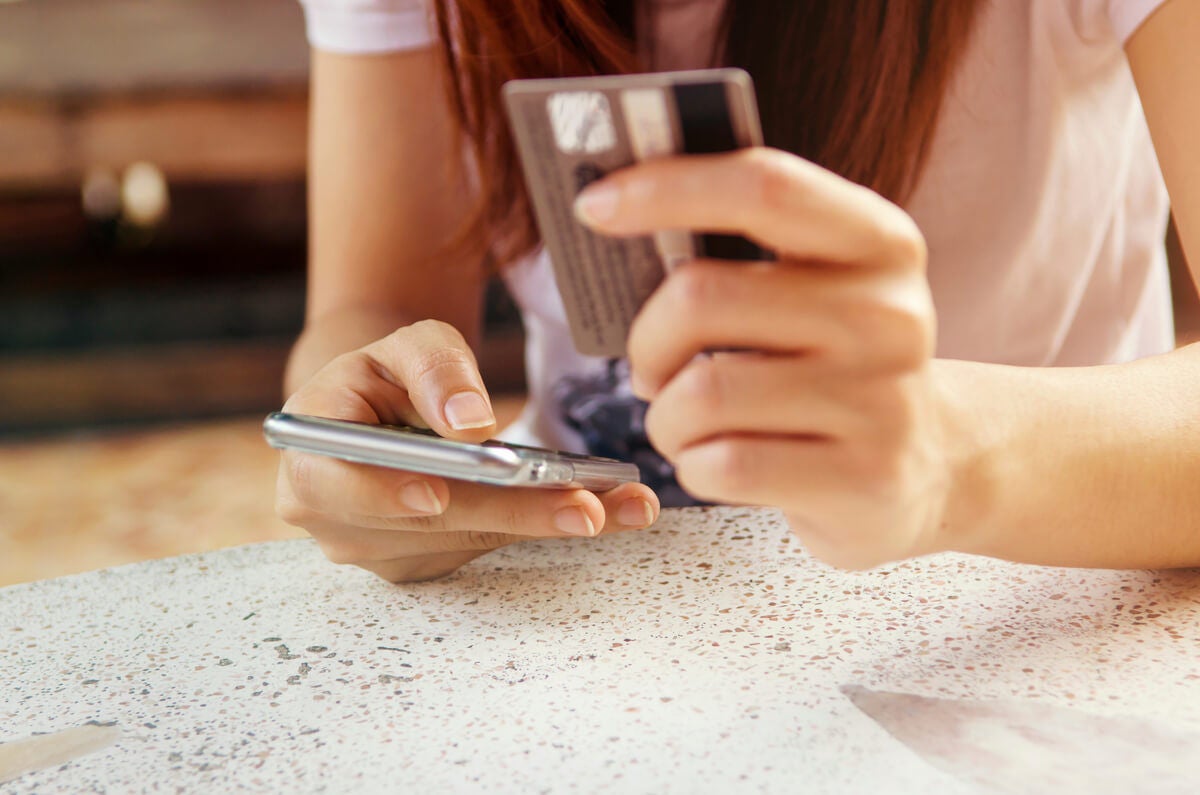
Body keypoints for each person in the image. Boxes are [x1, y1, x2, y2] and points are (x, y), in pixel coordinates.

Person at [277, 0, 1200, 582]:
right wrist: (374, 445)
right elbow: (369, 307)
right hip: (591, 590)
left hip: (1022, 608)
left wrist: (949, 454)